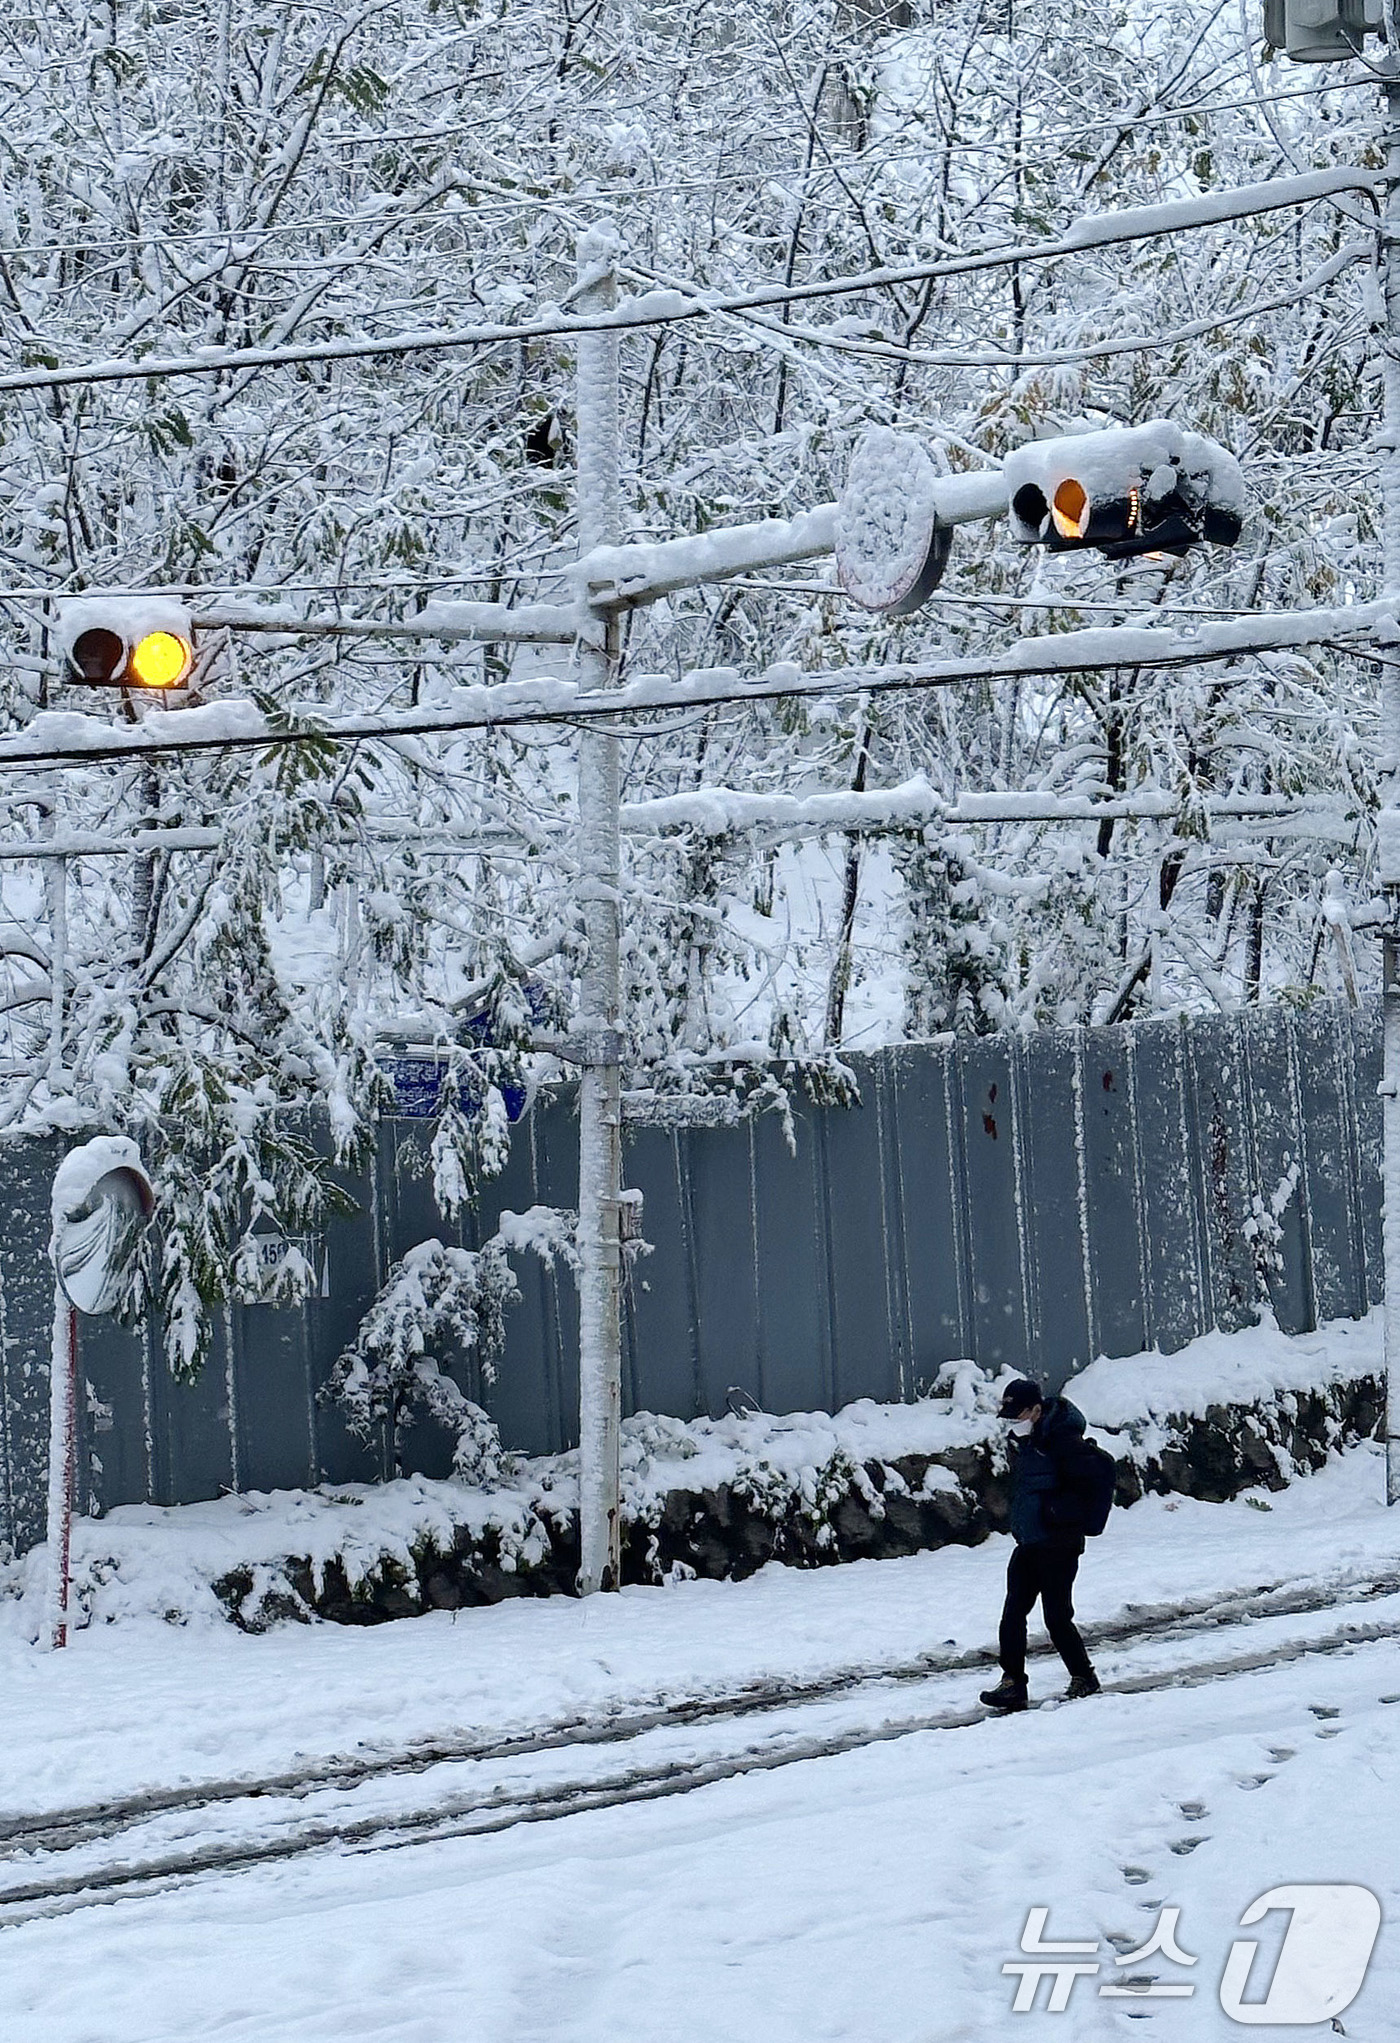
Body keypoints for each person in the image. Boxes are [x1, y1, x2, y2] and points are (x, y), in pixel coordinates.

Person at [979, 1378, 1101, 1713]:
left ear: (1036, 1409)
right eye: (1010, 1417)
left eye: (1018, 1416)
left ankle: (1084, 1677)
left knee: (1057, 1617)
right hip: (1031, 1540)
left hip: (1059, 1543)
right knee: (1013, 1613)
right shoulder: (1030, 1440)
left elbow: (1086, 1484)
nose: (1013, 1424)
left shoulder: (1062, 1438)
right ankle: (1013, 1683)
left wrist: (1056, 1513)